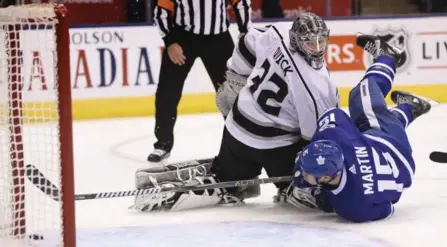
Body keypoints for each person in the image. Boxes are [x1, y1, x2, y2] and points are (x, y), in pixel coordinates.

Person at [131, 12, 340, 211]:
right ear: (296, 39)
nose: (317, 47)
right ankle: (288, 189)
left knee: (224, 180)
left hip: (237, 129)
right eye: (310, 42)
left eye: (321, 41)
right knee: (310, 185)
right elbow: (313, 140)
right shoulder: (319, 86)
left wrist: (237, 75)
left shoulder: (279, 32)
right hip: (276, 149)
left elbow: (247, 43)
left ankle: (222, 179)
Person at [286, 34, 433, 222]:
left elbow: (387, 207)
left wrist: (324, 196)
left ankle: (411, 107)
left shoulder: (351, 208)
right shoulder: (344, 144)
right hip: (387, 144)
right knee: (360, 95)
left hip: (402, 171)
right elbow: (335, 115)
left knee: (377, 121)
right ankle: (388, 57)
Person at [148, 0, 252, 164]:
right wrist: (170, 42)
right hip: (183, 38)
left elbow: (241, 3)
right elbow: (162, 11)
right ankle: (163, 144)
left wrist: (245, 31)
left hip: (218, 39)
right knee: (167, 92)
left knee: (232, 94)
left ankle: (241, 145)